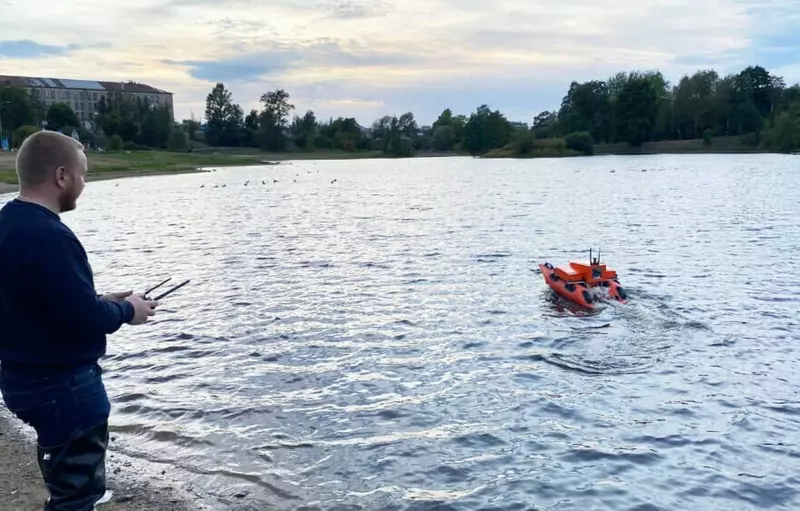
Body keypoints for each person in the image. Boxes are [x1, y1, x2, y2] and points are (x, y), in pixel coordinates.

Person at [0, 130, 158, 510]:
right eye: (82, 175)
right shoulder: (49, 235)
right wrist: (128, 311)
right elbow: (86, 319)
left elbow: (32, 299)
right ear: (60, 176)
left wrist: (97, 298)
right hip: (61, 386)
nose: (84, 184)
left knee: (64, 477)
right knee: (77, 495)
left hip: (22, 378)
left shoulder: (8, 222)